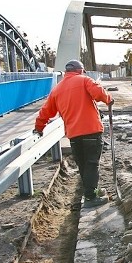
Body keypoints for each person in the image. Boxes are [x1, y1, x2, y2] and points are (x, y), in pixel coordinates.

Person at [34, 59, 114, 207]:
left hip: (73, 135)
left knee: (83, 164)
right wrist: (108, 100)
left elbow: (45, 112)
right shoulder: (84, 80)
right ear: (80, 70)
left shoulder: (57, 90)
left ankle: (90, 191)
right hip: (91, 131)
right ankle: (91, 197)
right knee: (92, 163)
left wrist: (39, 127)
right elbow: (98, 93)